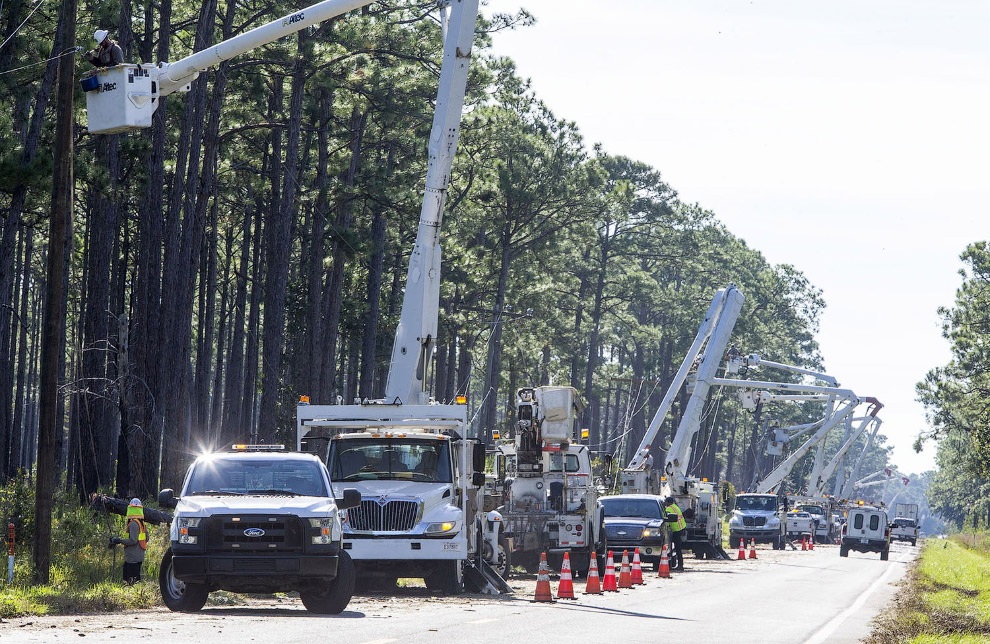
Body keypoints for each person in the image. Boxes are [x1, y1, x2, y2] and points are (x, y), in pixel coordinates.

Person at [109, 498, 147, 584]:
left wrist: (119, 540)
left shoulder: (133, 524)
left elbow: (133, 540)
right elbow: (146, 538)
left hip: (132, 558)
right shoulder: (142, 523)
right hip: (139, 556)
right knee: (133, 578)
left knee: (131, 581)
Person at [664, 496, 687, 572]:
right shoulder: (675, 507)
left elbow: (666, 519)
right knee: (677, 549)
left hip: (676, 530)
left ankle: (679, 566)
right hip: (681, 528)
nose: (665, 504)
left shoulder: (668, 509)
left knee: (676, 549)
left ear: (668, 502)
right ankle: (679, 565)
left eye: (666, 502)